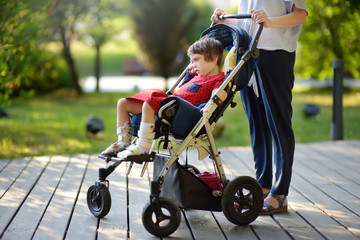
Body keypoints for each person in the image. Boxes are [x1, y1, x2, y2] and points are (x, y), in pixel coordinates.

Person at [211, 0, 307, 215]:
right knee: (257, 123)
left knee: (278, 123)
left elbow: (300, 15)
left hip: (276, 54)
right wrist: (227, 18)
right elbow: (251, 20)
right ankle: (263, 186)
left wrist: (270, 21)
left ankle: (280, 194)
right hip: (246, 52)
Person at [101, 36, 229, 159]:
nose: (193, 64)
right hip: (167, 104)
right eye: (191, 61)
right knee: (123, 103)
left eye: (196, 60)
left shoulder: (218, 79)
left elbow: (219, 95)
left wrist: (227, 78)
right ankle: (123, 142)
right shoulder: (194, 75)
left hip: (179, 113)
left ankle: (143, 147)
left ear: (214, 59)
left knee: (149, 103)